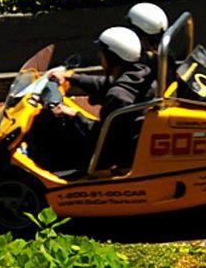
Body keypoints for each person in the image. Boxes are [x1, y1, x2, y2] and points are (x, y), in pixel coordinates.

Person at [57, 26, 157, 173]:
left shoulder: (118, 96)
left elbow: (99, 135)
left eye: (102, 52)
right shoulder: (141, 75)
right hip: (128, 142)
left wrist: (74, 115)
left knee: (59, 138)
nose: (99, 55)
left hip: (112, 154)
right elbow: (106, 84)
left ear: (112, 57)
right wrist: (71, 77)